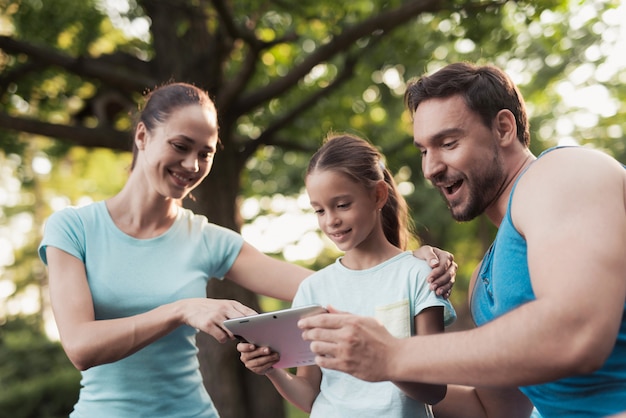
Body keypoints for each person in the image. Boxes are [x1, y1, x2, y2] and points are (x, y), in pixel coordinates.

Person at [37, 82, 457, 418]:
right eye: (181, 146)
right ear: (143, 136)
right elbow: (81, 347)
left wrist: (415, 260)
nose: (192, 165)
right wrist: (182, 309)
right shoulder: (73, 229)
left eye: (206, 153)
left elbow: (339, 284)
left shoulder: (206, 238)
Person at [298, 62, 626, 418]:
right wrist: (363, 378)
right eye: (424, 150)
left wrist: (393, 354)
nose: (430, 168)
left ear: (503, 128)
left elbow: (578, 333)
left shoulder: (565, 171)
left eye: (448, 143)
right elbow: (492, 410)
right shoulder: (483, 282)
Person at [236, 133, 456, 417]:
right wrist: (272, 370)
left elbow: (434, 390)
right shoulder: (312, 290)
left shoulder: (418, 275)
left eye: (342, 205)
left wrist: (381, 359)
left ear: (378, 195)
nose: (331, 221)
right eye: (319, 210)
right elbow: (310, 396)